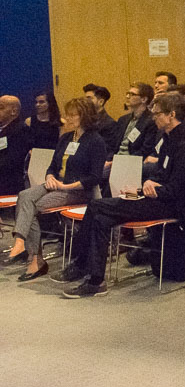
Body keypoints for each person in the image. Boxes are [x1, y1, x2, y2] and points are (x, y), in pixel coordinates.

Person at [54, 92, 185, 297]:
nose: (153, 117)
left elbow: (177, 190)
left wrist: (150, 189)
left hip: (175, 205)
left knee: (97, 206)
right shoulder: (168, 139)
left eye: (157, 114)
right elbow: (161, 173)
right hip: (158, 198)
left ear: (171, 115)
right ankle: (96, 279)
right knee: (102, 219)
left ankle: (80, 262)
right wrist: (145, 186)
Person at [5, 98, 104, 281]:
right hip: (56, 183)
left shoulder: (95, 141)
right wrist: (50, 177)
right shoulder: (66, 138)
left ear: (84, 116)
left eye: (73, 115)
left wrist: (65, 186)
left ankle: (35, 259)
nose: (68, 118)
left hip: (77, 190)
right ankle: (20, 241)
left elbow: (94, 178)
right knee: (24, 195)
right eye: (68, 114)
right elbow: (52, 166)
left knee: (29, 206)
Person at [108, 82, 158, 162]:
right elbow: (114, 145)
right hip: (116, 160)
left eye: (132, 94)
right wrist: (109, 160)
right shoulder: (123, 120)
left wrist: (123, 162)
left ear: (144, 99)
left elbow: (145, 150)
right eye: (127, 93)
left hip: (132, 162)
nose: (127, 96)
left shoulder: (151, 121)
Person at [0, 96, 31, 195]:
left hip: (10, 182)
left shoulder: (21, 130)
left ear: (13, 111)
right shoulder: (3, 129)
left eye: (1, 107)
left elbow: (14, 160)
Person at [83, 84, 120, 157]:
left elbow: (106, 149)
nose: (85, 102)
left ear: (101, 102)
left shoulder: (109, 124)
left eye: (89, 98)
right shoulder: (84, 120)